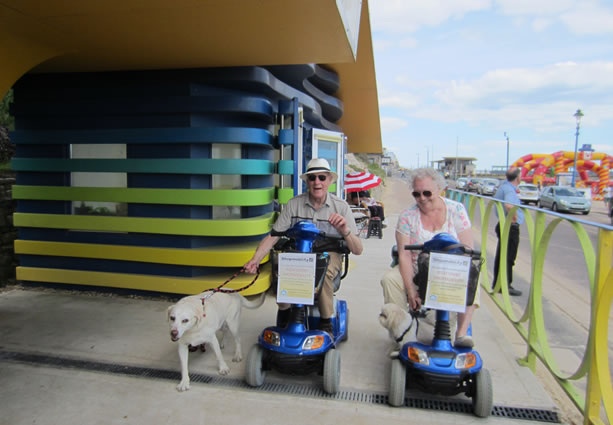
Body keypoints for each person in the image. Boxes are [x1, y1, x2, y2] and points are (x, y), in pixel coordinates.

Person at [244, 158, 363, 335]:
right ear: (307, 181)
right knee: (282, 269)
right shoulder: (294, 204)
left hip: (329, 253)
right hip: (299, 252)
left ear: (329, 180)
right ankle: (285, 313)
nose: (317, 182)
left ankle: (325, 322)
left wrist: (344, 230)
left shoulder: (341, 207)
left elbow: (358, 249)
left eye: (322, 178)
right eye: (312, 178)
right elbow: (273, 236)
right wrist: (255, 260)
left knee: (321, 272)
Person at [380, 167, 478, 348]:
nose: (422, 198)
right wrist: (411, 290)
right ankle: (401, 331)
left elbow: (468, 251)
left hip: (449, 270)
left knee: (472, 278)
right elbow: (404, 254)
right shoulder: (408, 216)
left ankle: (462, 333)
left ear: (440, 189)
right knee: (390, 279)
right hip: (418, 269)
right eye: (417, 194)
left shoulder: (456, 210)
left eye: (427, 193)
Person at [492, 167, 523, 296]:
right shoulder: (509, 190)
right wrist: (514, 219)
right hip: (509, 226)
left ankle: (498, 284)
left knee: (502, 256)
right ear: (518, 178)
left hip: (504, 225)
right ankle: (505, 285)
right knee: (508, 257)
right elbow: (509, 206)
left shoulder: (504, 187)